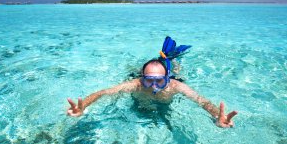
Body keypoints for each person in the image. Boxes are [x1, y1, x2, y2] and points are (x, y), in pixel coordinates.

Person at [67, 59, 238, 128]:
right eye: (149, 80)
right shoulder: (136, 85)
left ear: (167, 79)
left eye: (159, 81)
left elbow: (201, 101)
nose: (154, 86)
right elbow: (104, 93)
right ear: (142, 78)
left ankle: (173, 65)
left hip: (169, 86)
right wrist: (84, 106)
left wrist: (217, 116)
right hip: (141, 102)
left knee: (178, 69)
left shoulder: (175, 85)